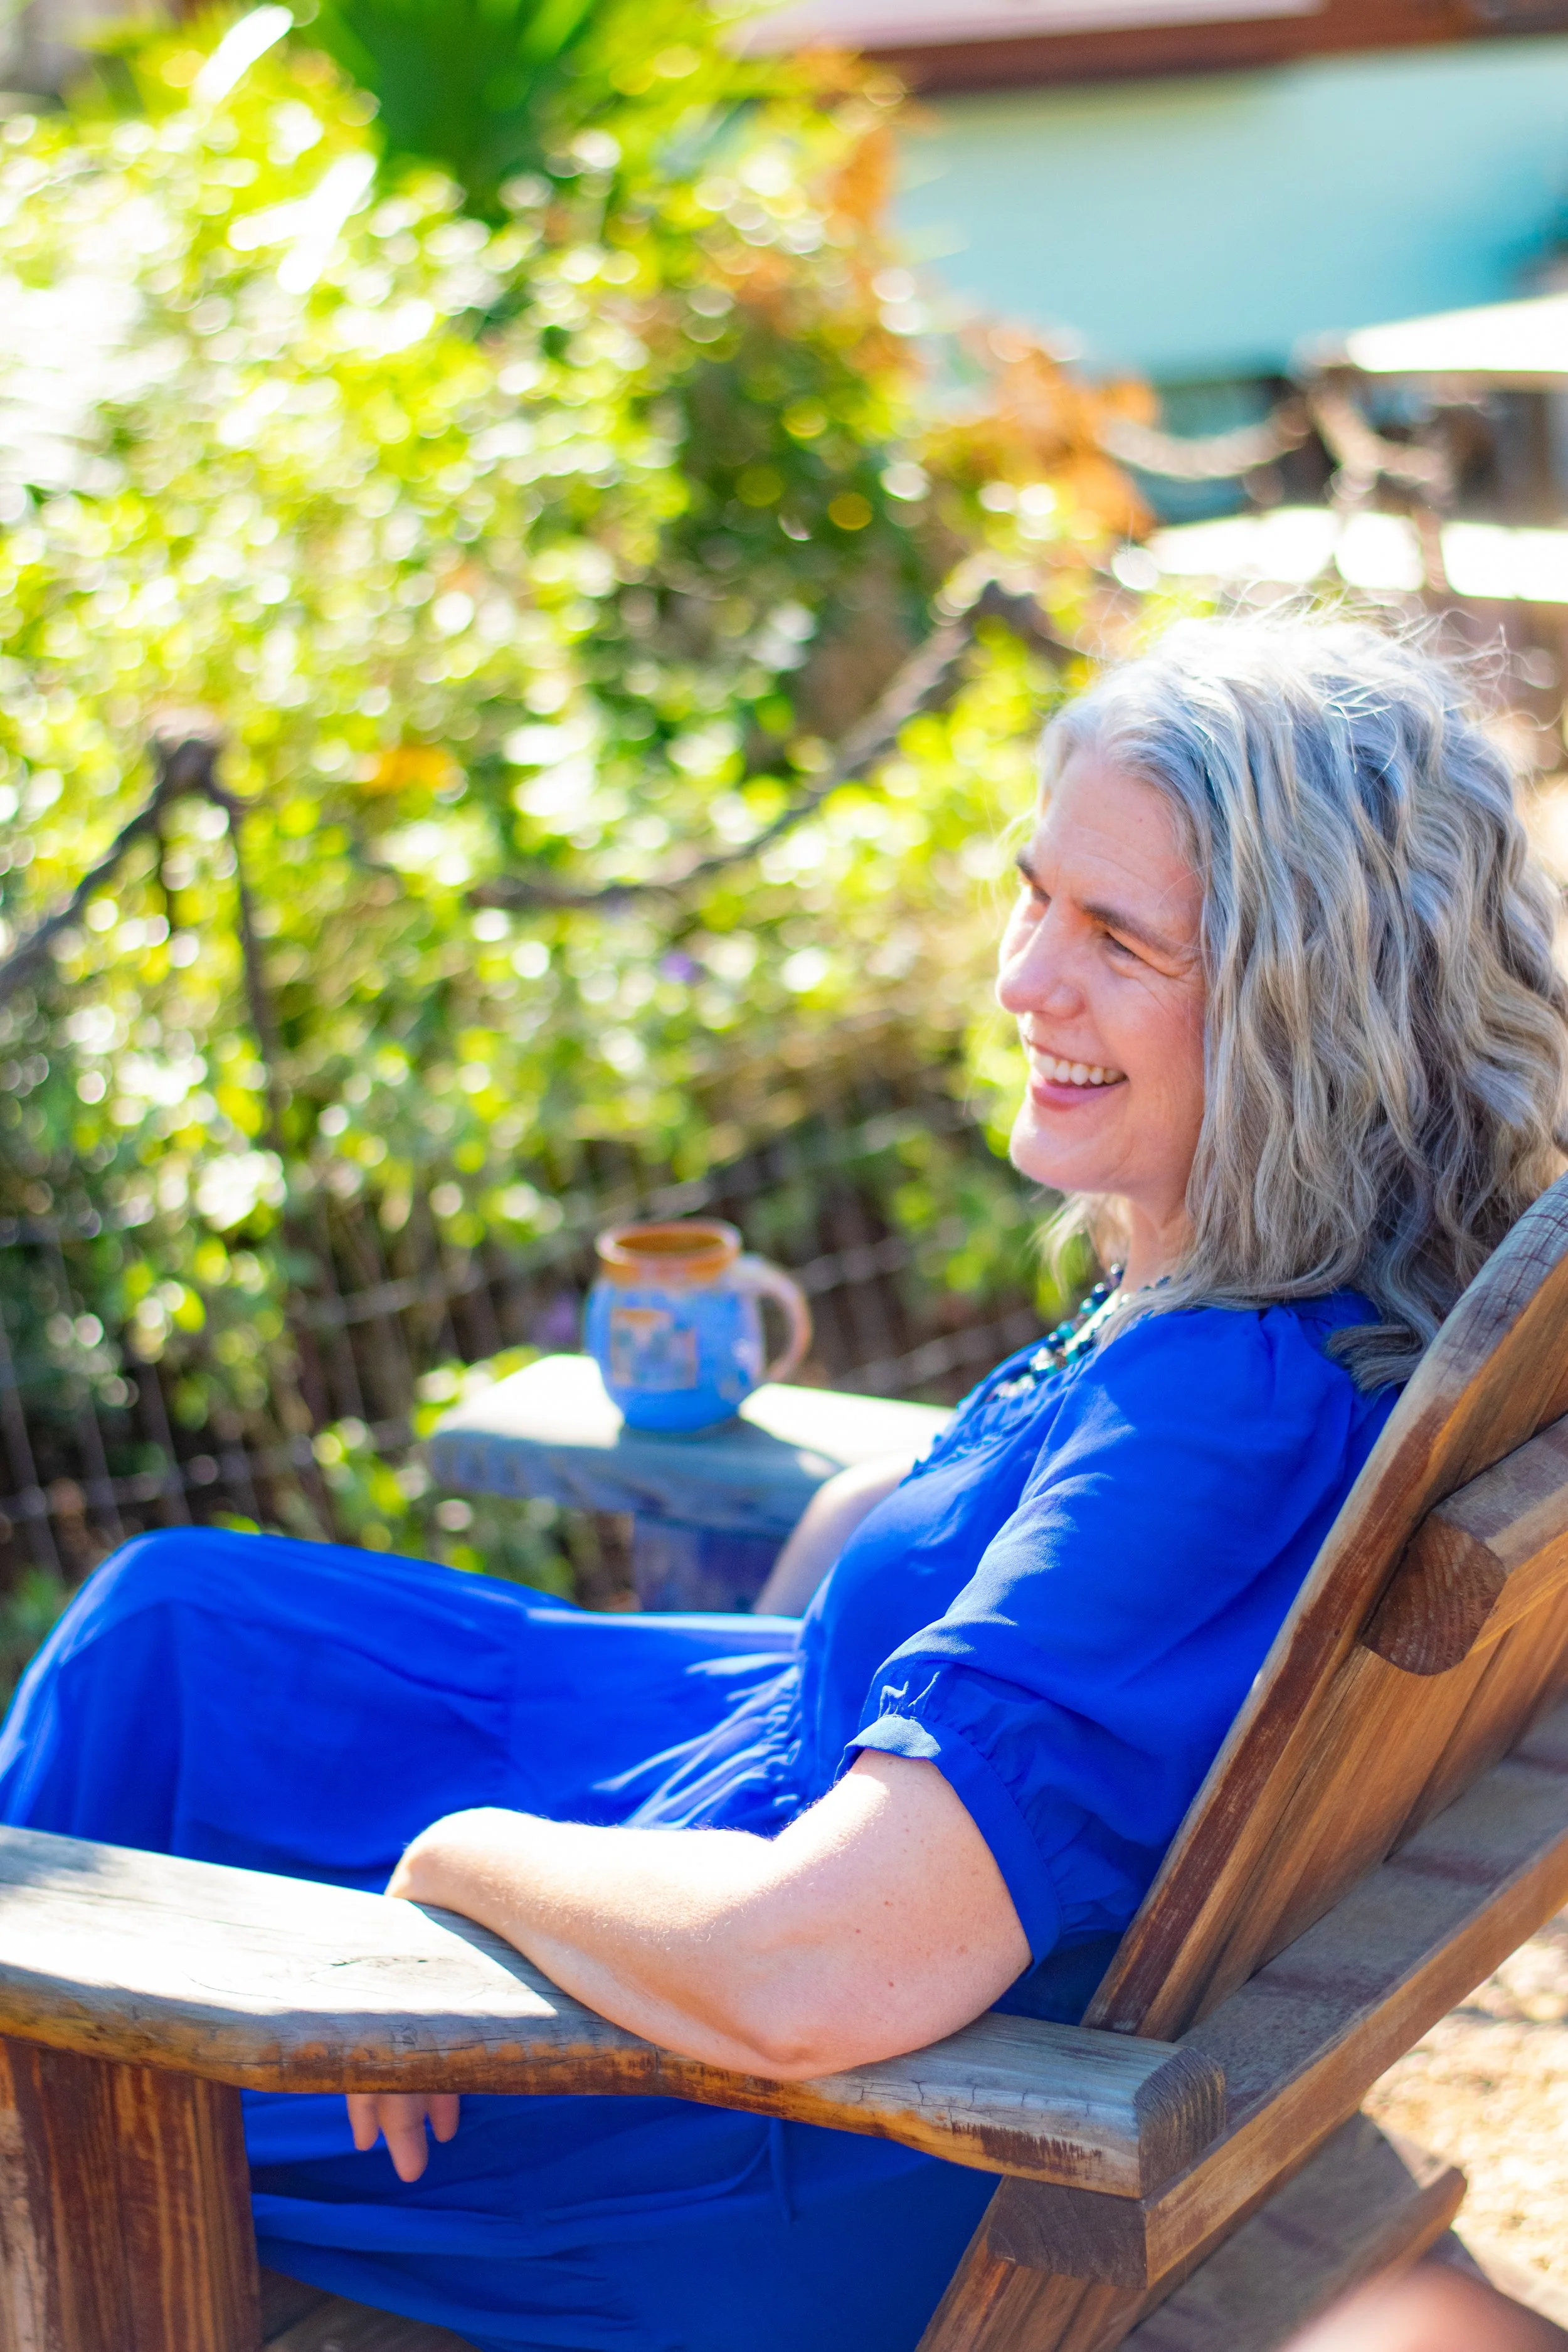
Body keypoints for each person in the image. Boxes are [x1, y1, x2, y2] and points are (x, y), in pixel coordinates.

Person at [1, 617, 1564, 2352]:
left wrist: (457, 1859)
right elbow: (1051, 1608)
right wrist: (883, 1529)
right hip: (741, 1818)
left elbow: (827, 1969)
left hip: (720, 2126)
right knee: (182, 1628)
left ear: (1305, 1008)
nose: (1025, 980)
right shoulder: (1289, 1298)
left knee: (85, 1937)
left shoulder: (1219, 1421)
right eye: (1034, 893)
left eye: (1120, 940)